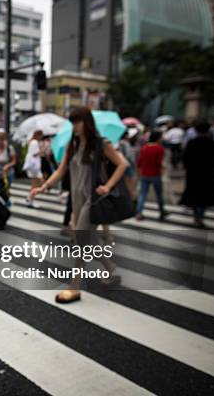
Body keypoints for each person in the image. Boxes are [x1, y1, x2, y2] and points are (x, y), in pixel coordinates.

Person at [29, 107, 127, 304]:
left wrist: (107, 186)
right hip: (77, 200)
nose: (75, 126)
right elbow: (60, 171)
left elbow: (123, 164)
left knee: (81, 240)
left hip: (93, 199)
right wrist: (44, 187)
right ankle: (110, 268)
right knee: (88, 239)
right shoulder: (72, 145)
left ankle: (74, 287)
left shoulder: (101, 144)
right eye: (72, 122)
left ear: (87, 122)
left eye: (78, 122)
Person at [180, 122, 214, 228]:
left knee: (193, 194)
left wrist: (187, 168)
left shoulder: (192, 142)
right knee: (205, 196)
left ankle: (196, 215)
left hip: (193, 173)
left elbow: (185, 158)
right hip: (208, 173)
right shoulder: (212, 143)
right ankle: (200, 216)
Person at [135, 131, 168, 221]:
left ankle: (139, 212)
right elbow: (159, 163)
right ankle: (161, 211)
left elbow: (139, 162)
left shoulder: (144, 148)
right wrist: (162, 171)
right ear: (158, 138)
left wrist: (139, 173)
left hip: (144, 174)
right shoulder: (159, 149)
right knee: (159, 194)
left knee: (143, 194)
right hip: (155, 174)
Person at [23, 130, 43, 208]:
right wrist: (41, 151)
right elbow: (34, 154)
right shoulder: (34, 142)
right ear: (38, 135)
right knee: (36, 184)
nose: (42, 137)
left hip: (34, 166)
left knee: (35, 184)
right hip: (35, 166)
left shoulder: (32, 141)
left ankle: (30, 198)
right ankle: (30, 199)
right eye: (41, 135)